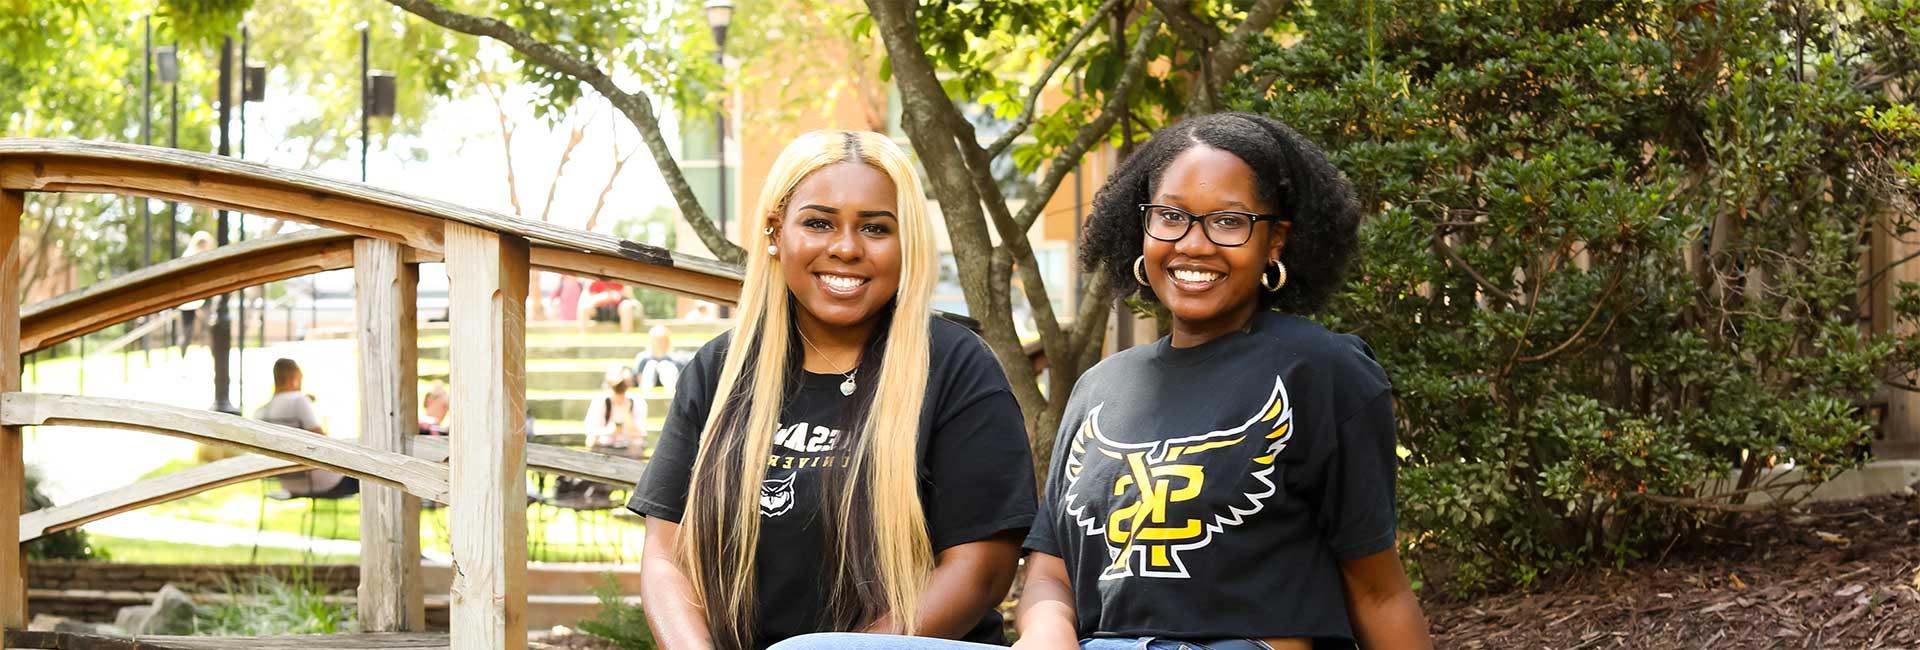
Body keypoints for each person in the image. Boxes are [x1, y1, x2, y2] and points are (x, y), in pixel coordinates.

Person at [628, 130, 1035, 650]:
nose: (845, 248)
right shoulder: (719, 370)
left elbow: (980, 571)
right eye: (819, 223)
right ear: (776, 232)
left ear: (906, 240)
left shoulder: (957, 366)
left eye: (875, 228)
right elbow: (666, 558)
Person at [256, 358, 356, 498]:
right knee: (369, 475)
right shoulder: (298, 400)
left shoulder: (261, 412)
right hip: (319, 482)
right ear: (294, 379)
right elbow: (320, 439)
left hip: (287, 483)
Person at [585, 366, 648, 458]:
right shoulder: (601, 401)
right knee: (591, 440)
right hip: (604, 447)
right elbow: (591, 430)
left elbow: (640, 433)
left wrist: (627, 412)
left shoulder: (637, 401)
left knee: (637, 445)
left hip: (629, 448)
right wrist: (610, 431)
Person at [176, 231, 218, 353]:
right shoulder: (188, 257)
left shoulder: (208, 258)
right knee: (187, 331)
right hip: (189, 300)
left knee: (210, 329)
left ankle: (215, 358)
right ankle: (182, 357)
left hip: (205, 297)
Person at [631, 325, 682, 393]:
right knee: (651, 364)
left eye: (662, 340)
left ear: (667, 341)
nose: (659, 343)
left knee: (665, 365)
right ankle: (647, 391)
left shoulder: (674, 358)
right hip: (648, 382)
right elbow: (638, 377)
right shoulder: (643, 358)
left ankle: (671, 392)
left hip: (669, 380)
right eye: (656, 340)